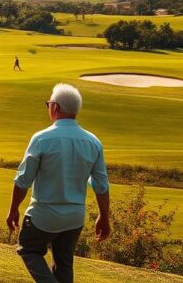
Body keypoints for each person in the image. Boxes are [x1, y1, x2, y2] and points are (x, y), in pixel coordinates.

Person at [6, 83, 111, 283]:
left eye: (48, 104)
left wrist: (13, 209)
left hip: (43, 215)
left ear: (55, 107)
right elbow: (101, 185)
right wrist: (104, 217)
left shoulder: (42, 138)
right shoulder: (93, 141)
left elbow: (23, 180)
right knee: (64, 265)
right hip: (74, 218)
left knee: (28, 249)